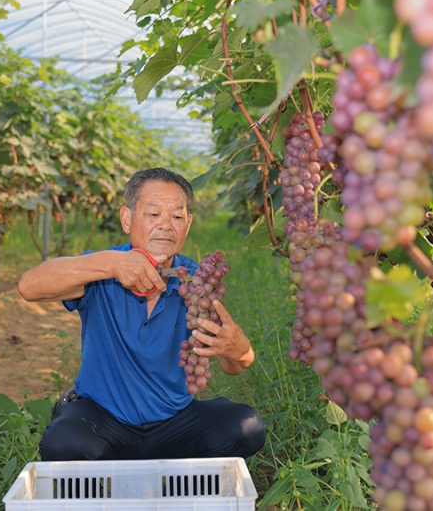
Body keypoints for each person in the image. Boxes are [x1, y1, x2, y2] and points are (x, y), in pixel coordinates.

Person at [17, 168, 266, 461]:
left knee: (245, 427)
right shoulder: (103, 270)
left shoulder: (196, 283)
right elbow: (29, 286)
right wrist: (111, 265)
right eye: (153, 214)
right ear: (127, 219)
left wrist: (240, 350)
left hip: (174, 423)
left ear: (188, 224)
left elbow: (235, 365)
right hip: (102, 420)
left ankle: (175, 485)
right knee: (65, 442)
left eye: (176, 216)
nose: (166, 226)